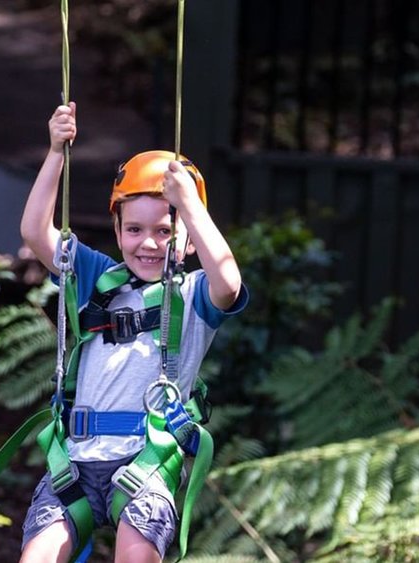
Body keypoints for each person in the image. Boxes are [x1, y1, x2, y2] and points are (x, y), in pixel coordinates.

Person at [18, 102, 248, 563]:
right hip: (76, 465)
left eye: (165, 231)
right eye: (136, 229)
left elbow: (229, 282)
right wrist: (55, 154)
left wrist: (189, 207)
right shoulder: (94, 278)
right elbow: (35, 232)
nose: (148, 243)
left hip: (146, 461)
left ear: (186, 238)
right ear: (117, 230)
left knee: (136, 555)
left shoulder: (193, 293)